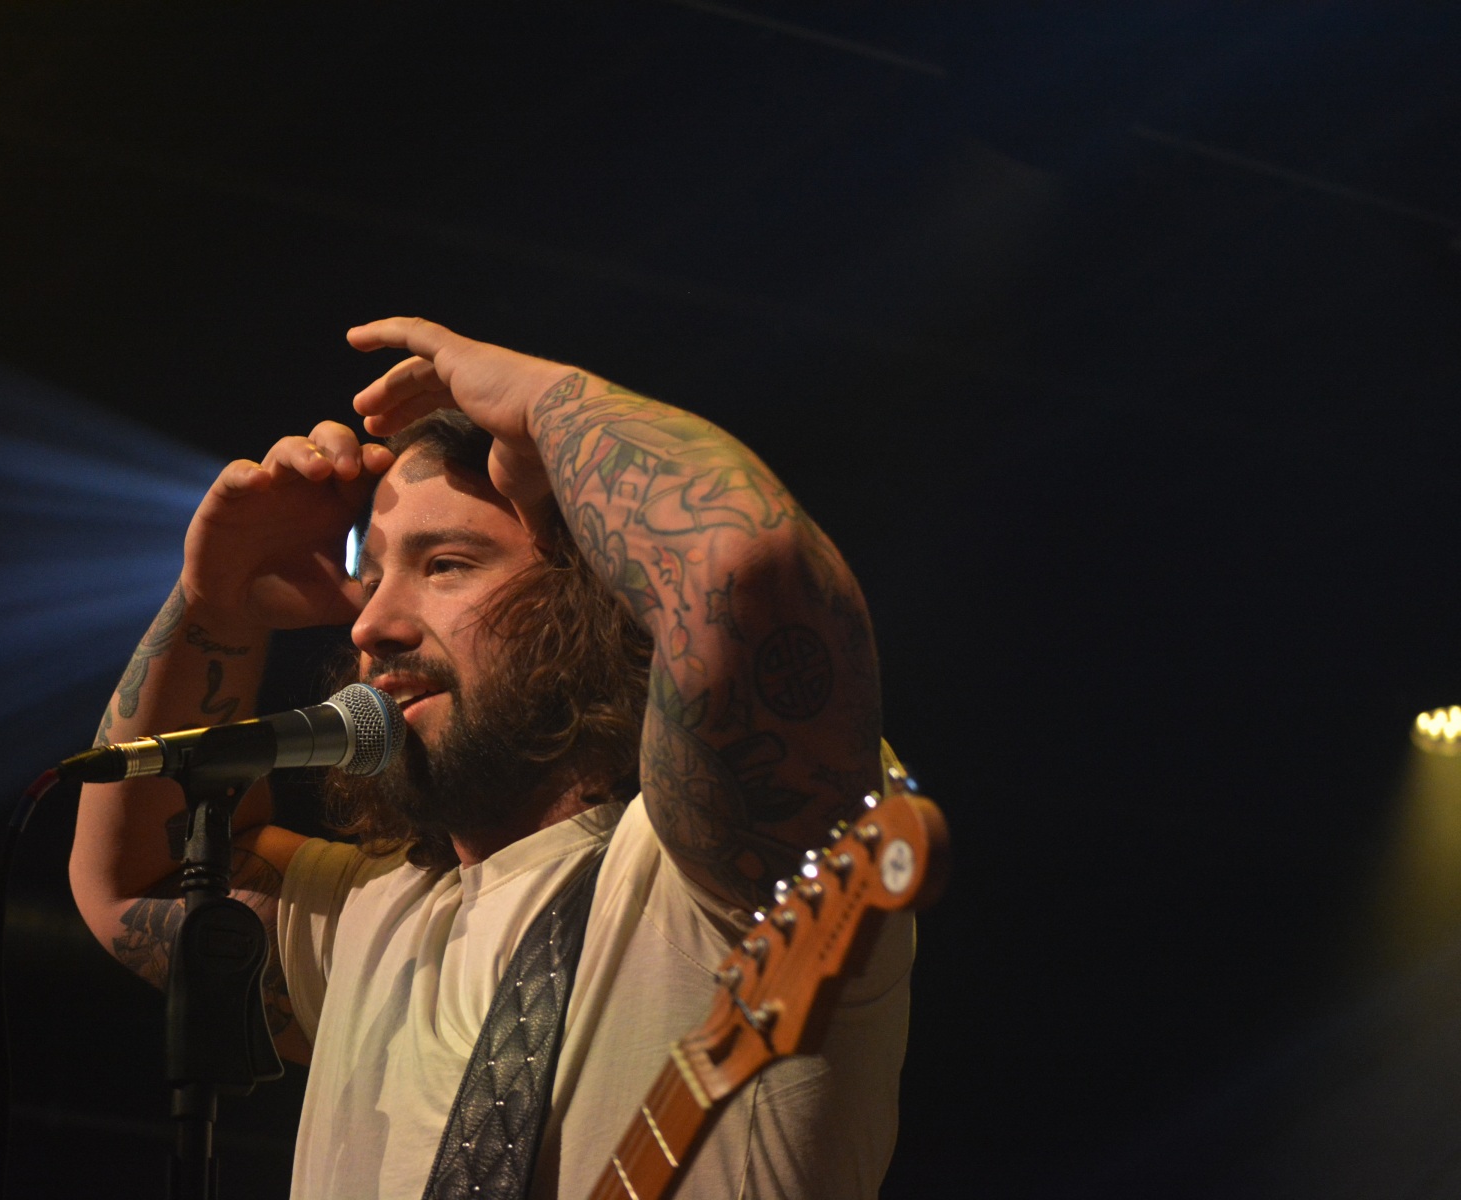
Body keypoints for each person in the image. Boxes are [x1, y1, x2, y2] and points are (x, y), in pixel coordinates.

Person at [70, 318, 916, 1199]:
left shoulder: (710, 881)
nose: (370, 624)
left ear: (594, 600)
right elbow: (142, 879)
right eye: (372, 577)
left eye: (446, 565)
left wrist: (549, 400)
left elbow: (743, 564)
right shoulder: (373, 914)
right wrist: (216, 603)